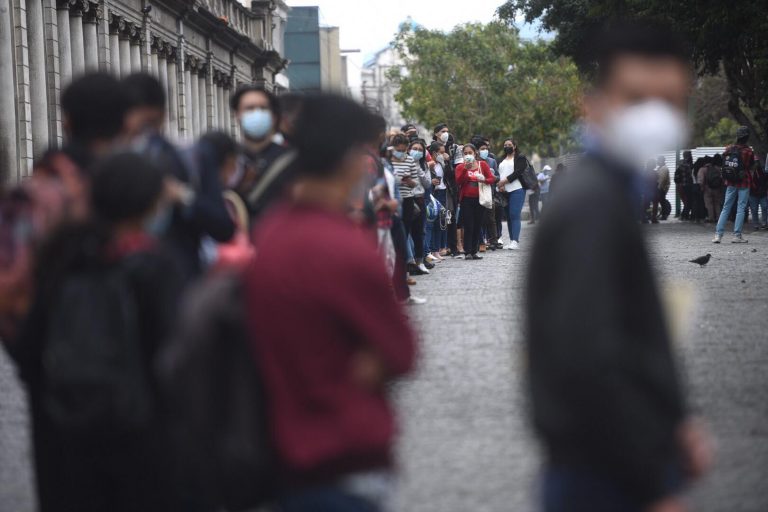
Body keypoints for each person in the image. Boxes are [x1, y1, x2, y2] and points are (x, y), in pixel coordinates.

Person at [526, 22, 710, 512]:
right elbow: (588, 359)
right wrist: (650, 481)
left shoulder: (609, 193)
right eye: (635, 97)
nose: (654, 116)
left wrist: (674, 423)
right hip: (605, 474)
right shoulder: (592, 203)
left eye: (669, 101)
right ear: (593, 102)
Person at [245, 93, 416, 511]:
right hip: (342, 454)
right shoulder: (345, 247)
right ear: (347, 156)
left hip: (282, 450)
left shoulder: (270, 234)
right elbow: (401, 351)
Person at [9, 152, 182, 512]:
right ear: (147, 204)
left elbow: (27, 346)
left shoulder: (62, 257)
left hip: (70, 441)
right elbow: (178, 362)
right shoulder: (155, 266)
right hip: (142, 444)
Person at [122, 73, 235, 280]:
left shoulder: (192, 158)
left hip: (180, 285)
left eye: (150, 123)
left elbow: (224, 227)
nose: (145, 135)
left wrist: (183, 197)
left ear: (162, 116)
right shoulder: (112, 164)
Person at [228, 84, 295, 219]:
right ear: (237, 115)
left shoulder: (292, 161)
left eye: (263, 108)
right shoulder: (229, 159)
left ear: (274, 117)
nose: (256, 113)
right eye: (249, 108)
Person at [391, 134, 429, 275]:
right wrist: (395, 180)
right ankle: (400, 265)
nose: (401, 153)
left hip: (407, 199)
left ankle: (411, 265)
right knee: (394, 234)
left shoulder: (409, 161)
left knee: (407, 232)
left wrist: (407, 181)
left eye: (403, 150)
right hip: (393, 199)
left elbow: (415, 183)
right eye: (398, 150)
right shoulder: (388, 159)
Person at [713, 125, 756, 243]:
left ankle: (718, 235)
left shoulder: (729, 148)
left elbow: (723, 160)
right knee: (741, 208)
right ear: (747, 137)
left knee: (726, 207)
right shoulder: (748, 151)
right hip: (744, 181)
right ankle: (737, 235)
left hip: (730, 181)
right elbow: (752, 165)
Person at [454, 143, 495, 260]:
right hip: (466, 199)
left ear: (475, 153)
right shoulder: (460, 167)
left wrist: (484, 179)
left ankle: (474, 250)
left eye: (470, 153)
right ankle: (467, 251)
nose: (468, 155)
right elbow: (458, 181)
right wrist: (465, 170)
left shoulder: (482, 165)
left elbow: (492, 179)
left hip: (480, 199)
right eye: (465, 153)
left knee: (478, 225)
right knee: (468, 225)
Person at [496, 139, 527, 250]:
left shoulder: (520, 158)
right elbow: (499, 174)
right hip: (504, 191)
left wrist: (504, 182)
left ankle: (515, 241)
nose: (507, 146)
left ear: (514, 146)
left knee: (514, 215)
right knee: (508, 217)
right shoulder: (501, 160)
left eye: (509, 145)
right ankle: (511, 240)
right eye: (505, 145)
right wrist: (500, 185)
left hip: (517, 189)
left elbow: (518, 172)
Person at [474, 136, 501, 251]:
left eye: (486, 148)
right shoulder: (474, 162)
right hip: (476, 191)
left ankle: (494, 240)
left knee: (491, 218)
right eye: (482, 148)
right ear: (477, 151)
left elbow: (498, 177)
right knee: (479, 218)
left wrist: (492, 177)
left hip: (489, 192)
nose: (485, 150)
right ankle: (480, 241)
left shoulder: (492, 161)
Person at [426, 141, 449, 261]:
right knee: (430, 222)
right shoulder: (429, 164)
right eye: (441, 153)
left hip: (442, 192)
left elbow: (449, 176)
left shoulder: (442, 164)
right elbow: (423, 178)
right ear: (434, 152)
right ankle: (428, 250)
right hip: (432, 193)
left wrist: (447, 161)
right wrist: (431, 182)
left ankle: (436, 250)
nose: (443, 155)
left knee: (440, 222)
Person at [701, 154, 725, 223]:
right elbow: (722, 179)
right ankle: (718, 218)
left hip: (708, 188)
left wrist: (702, 187)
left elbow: (703, 179)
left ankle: (711, 217)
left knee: (709, 204)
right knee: (717, 203)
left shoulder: (707, 168)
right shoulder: (719, 169)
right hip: (717, 188)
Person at [747, 158, 768, 230]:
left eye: (757, 162)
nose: (756, 164)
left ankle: (764, 223)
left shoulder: (763, 171)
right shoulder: (749, 172)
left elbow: (765, 181)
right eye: (755, 163)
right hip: (753, 193)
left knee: (764, 207)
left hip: (762, 193)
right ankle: (756, 224)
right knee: (754, 209)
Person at [674, 151, 694, 220]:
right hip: (687, 185)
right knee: (688, 201)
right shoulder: (688, 164)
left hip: (680, 185)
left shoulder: (680, 163)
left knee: (686, 201)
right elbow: (690, 175)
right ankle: (684, 215)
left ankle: (684, 215)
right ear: (689, 156)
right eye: (691, 155)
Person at [656, 155, 671, 220]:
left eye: (658, 160)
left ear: (662, 160)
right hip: (661, 187)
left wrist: (659, 188)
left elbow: (662, 179)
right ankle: (663, 215)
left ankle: (664, 215)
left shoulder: (664, 168)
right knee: (662, 201)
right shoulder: (660, 168)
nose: (657, 162)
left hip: (661, 188)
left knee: (662, 201)